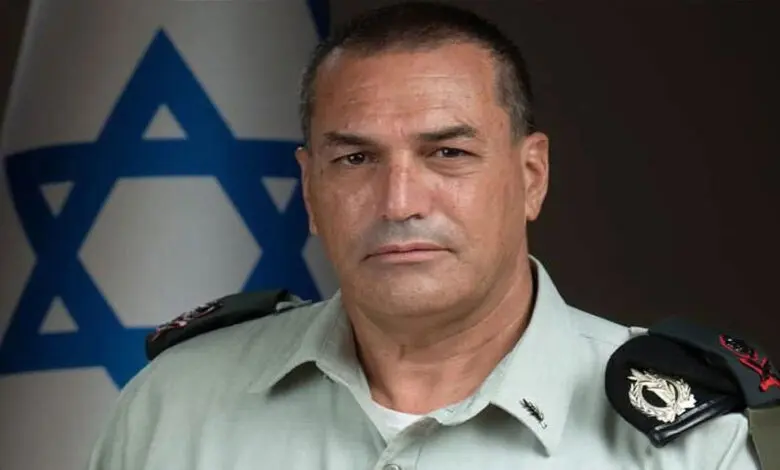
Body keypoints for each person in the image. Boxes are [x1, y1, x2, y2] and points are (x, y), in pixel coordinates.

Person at [88, 2, 770, 469]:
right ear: (310, 189)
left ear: (531, 176)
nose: (399, 202)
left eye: (447, 154)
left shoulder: (690, 443)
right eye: (356, 159)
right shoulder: (174, 408)